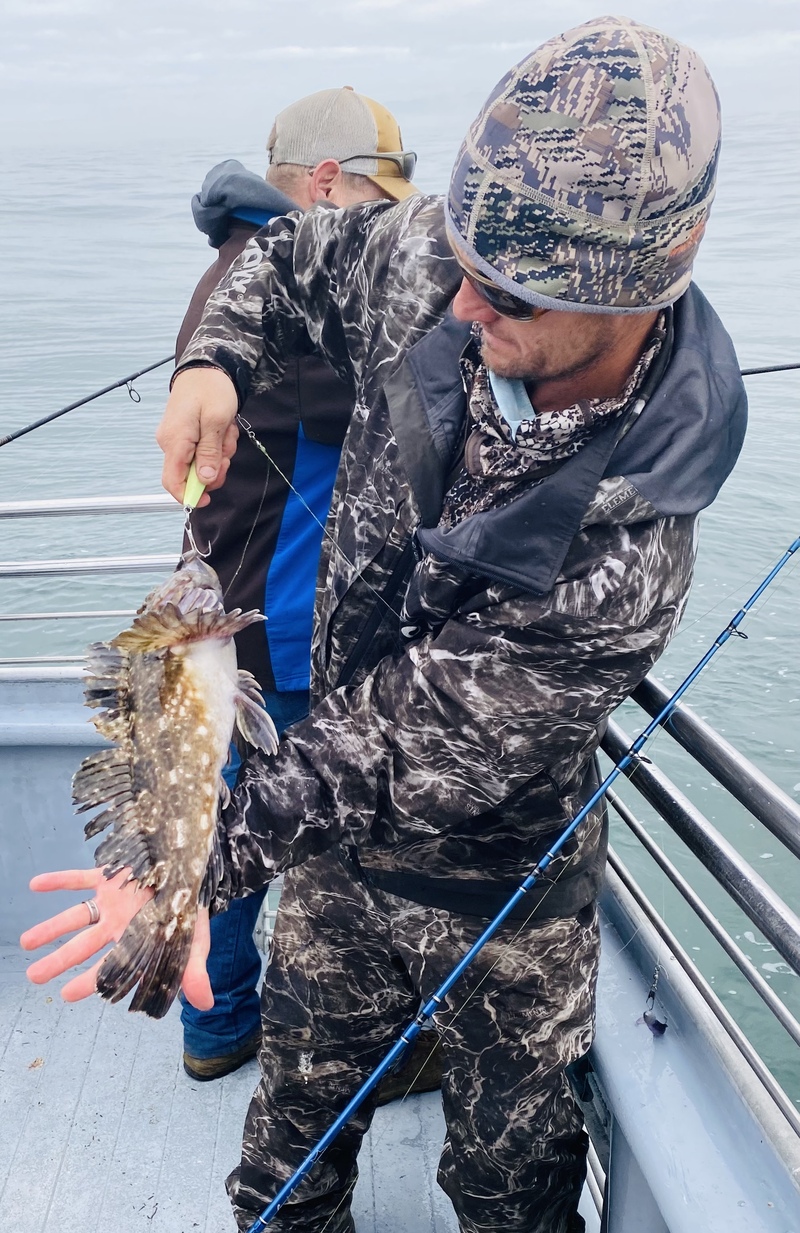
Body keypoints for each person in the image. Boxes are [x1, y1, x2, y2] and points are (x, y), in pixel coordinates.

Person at [22, 17, 747, 1233]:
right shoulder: (430, 263)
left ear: (644, 280)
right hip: (327, 872)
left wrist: (187, 873)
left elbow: (391, 747)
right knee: (284, 1177)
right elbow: (286, 257)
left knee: (508, 1191)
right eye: (461, 249)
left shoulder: (628, 557)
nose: (458, 302)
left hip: (504, 894)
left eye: (508, 290)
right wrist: (211, 361)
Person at [173, 86, 421, 1084]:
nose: (395, 227)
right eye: (380, 201)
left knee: (229, 815)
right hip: (285, 625)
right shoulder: (302, 288)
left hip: (221, 617)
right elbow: (408, 410)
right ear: (324, 184)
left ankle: (216, 1025)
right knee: (324, 841)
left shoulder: (225, 272)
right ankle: (335, 1051)